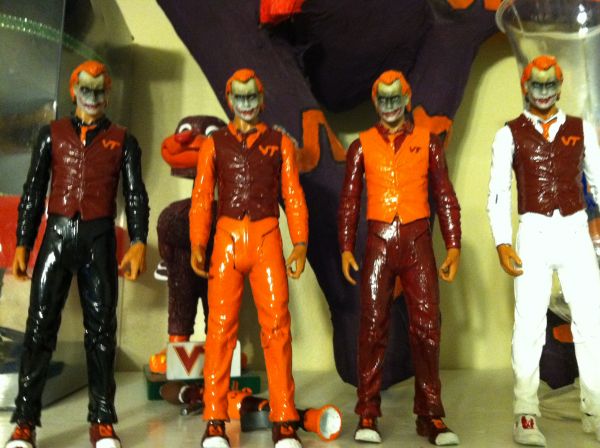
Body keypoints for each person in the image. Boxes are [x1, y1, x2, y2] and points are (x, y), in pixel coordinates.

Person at [6, 60, 149, 448]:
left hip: (99, 238)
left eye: (100, 90)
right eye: (86, 90)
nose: (93, 98)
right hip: (56, 236)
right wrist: (23, 242)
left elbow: (135, 194)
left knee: (102, 332)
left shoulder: (122, 140)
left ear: (108, 93)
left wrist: (138, 241)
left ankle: (102, 419)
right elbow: (34, 190)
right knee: (39, 326)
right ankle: (25, 420)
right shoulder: (51, 135)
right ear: (73, 92)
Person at [338, 70, 461, 445]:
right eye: (383, 99)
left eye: (396, 98)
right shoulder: (361, 146)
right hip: (378, 242)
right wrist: (345, 246)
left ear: (407, 98)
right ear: (375, 102)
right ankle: (367, 411)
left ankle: (430, 414)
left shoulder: (428, 142)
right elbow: (349, 200)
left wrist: (453, 244)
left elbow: (444, 194)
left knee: (427, 327)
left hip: (417, 240)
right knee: (372, 326)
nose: (390, 106)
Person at [189, 69, 308, 448]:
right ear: (229, 100)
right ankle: (214, 417)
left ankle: (284, 416)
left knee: (277, 326)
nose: (246, 104)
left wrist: (300, 241)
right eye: (239, 97)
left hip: (266, 236)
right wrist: (198, 241)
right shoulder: (215, 143)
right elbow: (202, 195)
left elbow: (292, 193)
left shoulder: (279, 142)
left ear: (261, 98)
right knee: (219, 328)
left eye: (252, 96)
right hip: (226, 238)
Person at [487, 55, 600, 446]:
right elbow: (498, 191)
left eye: (551, 84)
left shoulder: (581, 129)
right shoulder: (509, 134)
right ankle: (525, 412)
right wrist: (502, 240)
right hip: (533, 230)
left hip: (575, 229)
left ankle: (595, 407)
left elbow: (597, 179)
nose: (544, 92)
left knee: (592, 320)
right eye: (537, 84)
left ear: (560, 85)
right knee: (529, 323)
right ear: (525, 85)